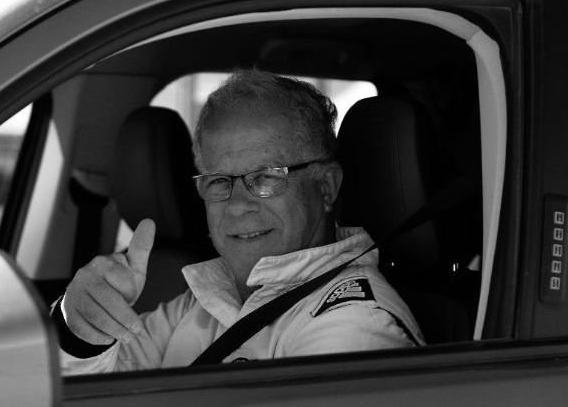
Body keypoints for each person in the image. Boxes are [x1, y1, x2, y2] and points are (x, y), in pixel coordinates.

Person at [54, 69, 423, 373]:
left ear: (326, 187)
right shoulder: (205, 300)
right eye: (218, 181)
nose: (235, 205)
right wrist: (81, 333)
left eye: (265, 176)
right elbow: (94, 392)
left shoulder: (355, 326)